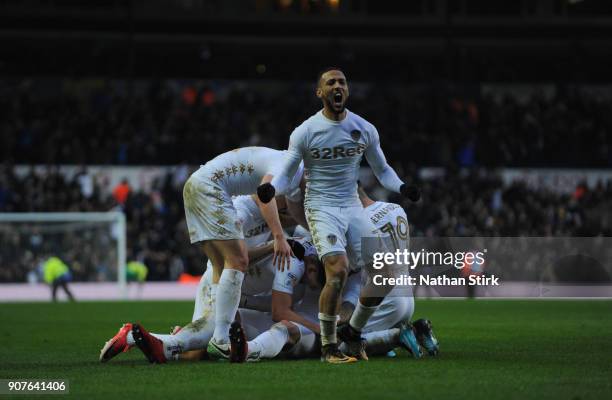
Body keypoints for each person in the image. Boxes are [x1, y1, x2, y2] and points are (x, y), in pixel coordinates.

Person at [256, 68, 420, 363]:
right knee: (338, 270)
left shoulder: (364, 128)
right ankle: (329, 346)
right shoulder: (305, 131)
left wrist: (403, 187)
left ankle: (353, 333)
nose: (337, 86)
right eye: (330, 82)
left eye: (342, 82)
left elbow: (382, 170)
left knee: (385, 273)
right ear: (320, 92)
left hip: (353, 208)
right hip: (321, 207)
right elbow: (287, 171)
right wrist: (271, 189)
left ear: (348, 90)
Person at [182, 146, 303, 360]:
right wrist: (278, 237)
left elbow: (288, 210)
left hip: (200, 186)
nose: (288, 212)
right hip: (208, 189)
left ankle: (155, 341)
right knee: (237, 260)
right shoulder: (288, 168)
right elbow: (265, 192)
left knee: (194, 354)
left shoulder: (289, 171)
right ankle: (220, 340)